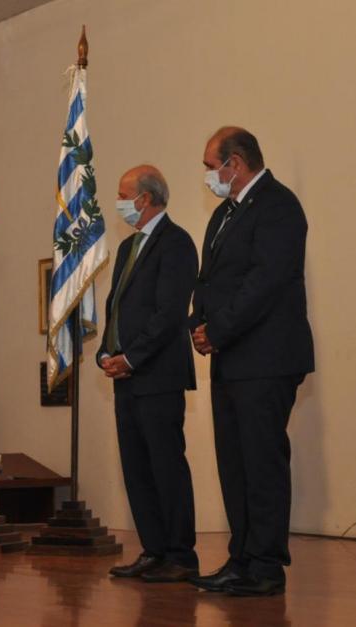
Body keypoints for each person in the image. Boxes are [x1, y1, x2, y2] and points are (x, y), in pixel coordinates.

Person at [189, 128, 314, 596]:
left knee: (261, 462)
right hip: (230, 358)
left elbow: (265, 282)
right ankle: (241, 558)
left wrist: (217, 329)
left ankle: (265, 565)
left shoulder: (280, 206)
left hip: (266, 358)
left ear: (235, 164)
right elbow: (209, 281)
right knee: (235, 463)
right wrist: (198, 325)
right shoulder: (224, 214)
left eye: (210, 166)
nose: (208, 176)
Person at [98, 165, 199, 583]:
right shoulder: (129, 246)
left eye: (125, 194)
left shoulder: (176, 243)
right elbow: (117, 307)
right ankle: (153, 550)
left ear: (146, 198)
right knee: (136, 467)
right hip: (126, 377)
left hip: (158, 376)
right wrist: (107, 351)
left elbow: (169, 314)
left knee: (165, 465)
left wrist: (133, 357)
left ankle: (179, 555)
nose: (120, 202)